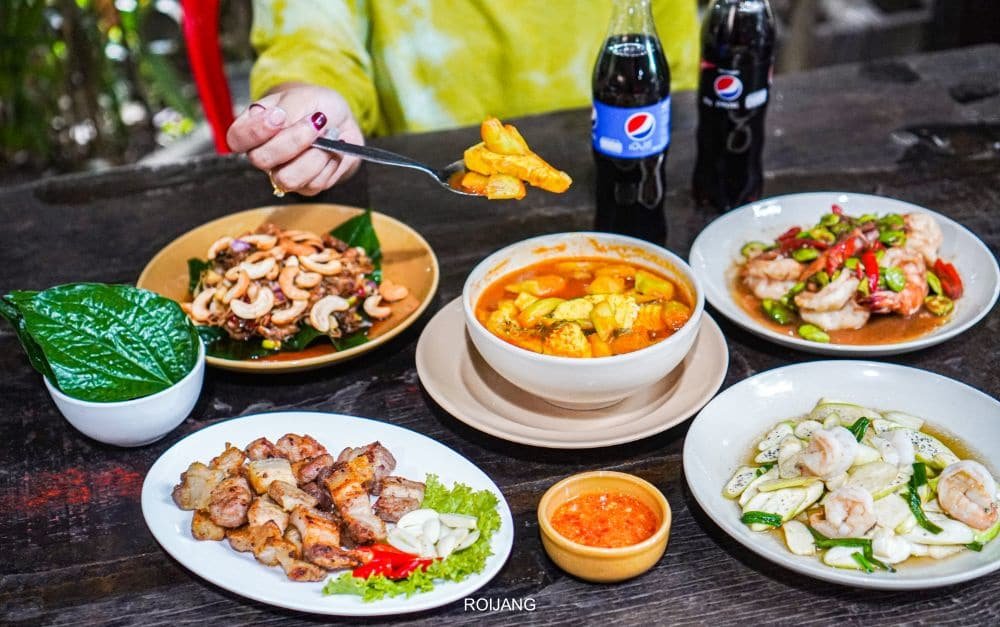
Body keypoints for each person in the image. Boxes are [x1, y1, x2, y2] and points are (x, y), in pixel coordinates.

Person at [227, 1, 699, 196]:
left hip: (642, 181)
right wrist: (304, 105)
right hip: (422, 207)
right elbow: (310, 40)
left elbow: (674, 66)